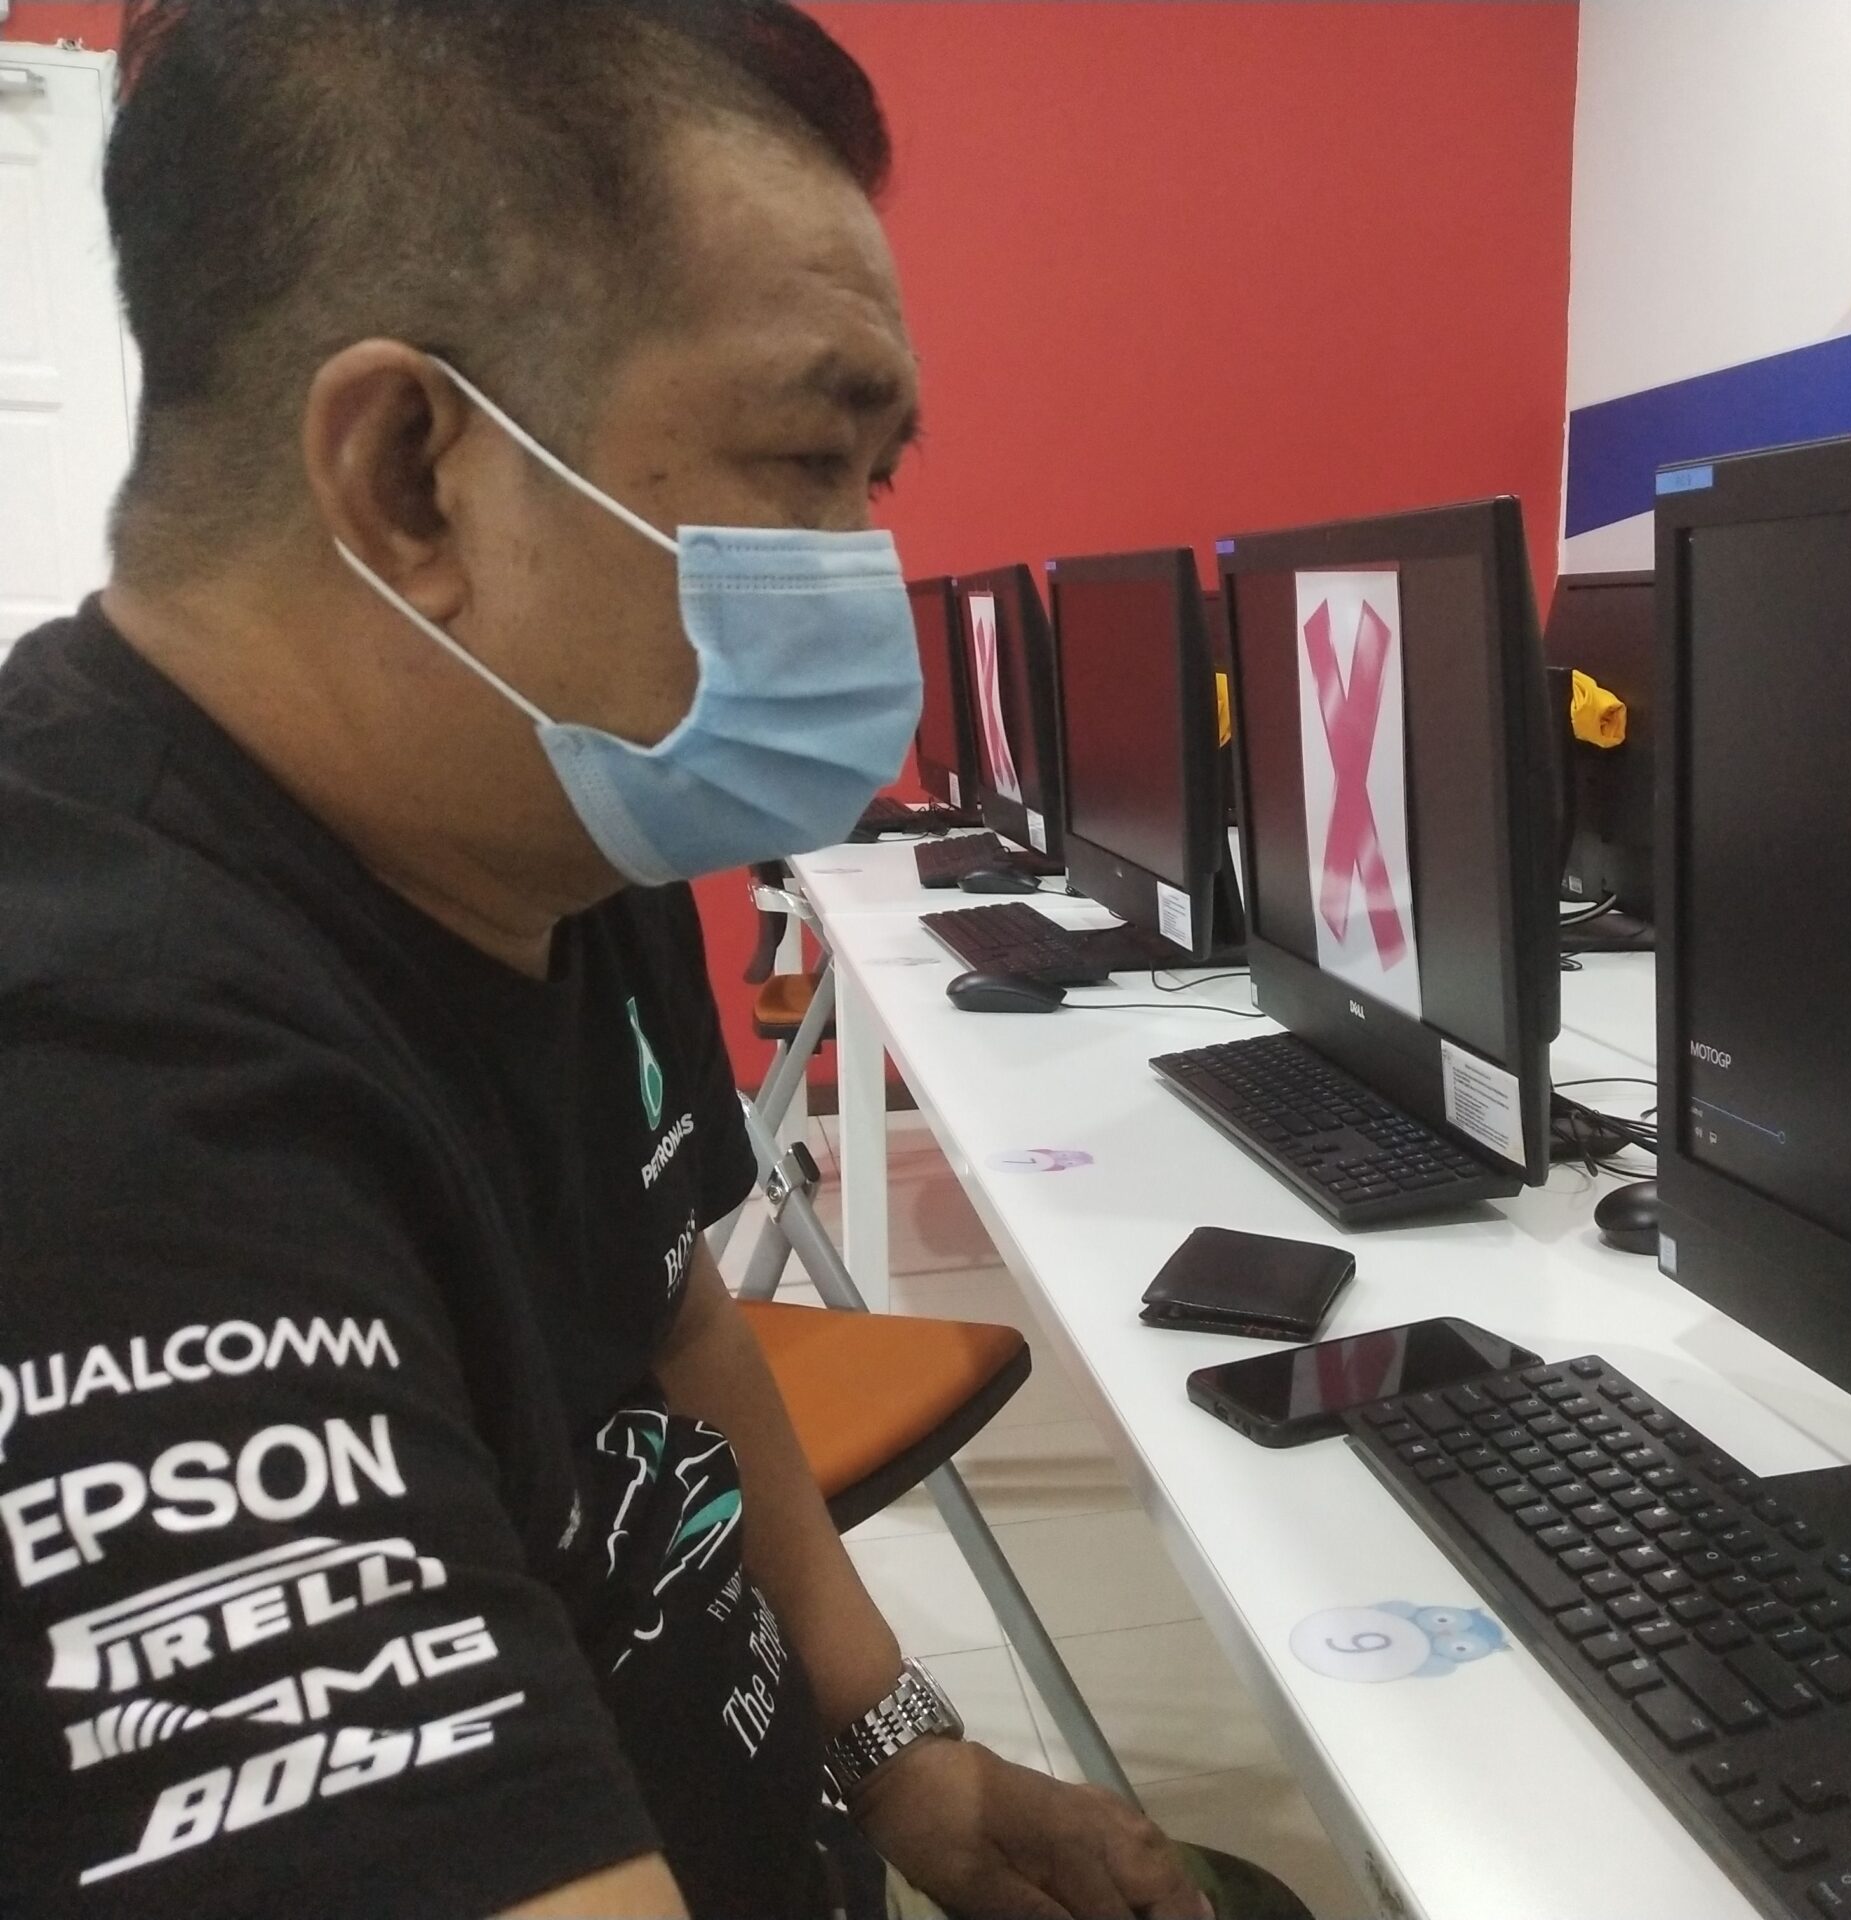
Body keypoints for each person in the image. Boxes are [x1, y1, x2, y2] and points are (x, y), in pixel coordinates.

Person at [0, 5, 1284, 1917]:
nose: (862, 563)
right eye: (809, 460)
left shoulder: (538, 814)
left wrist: (897, 1753)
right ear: (414, 477)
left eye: (876, 478)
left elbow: (671, 1316)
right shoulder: (102, 1102)